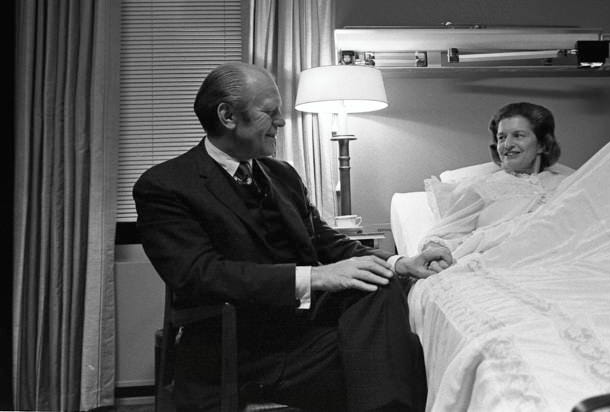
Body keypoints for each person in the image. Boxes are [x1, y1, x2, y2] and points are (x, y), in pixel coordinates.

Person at [133, 62, 453, 412]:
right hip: (241, 345)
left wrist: (399, 261)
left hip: (305, 330)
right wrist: (315, 277)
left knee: (381, 283)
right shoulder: (166, 185)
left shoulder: (281, 174)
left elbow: (324, 241)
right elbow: (200, 275)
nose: (281, 123)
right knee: (401, 353)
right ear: (227, 116)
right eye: (270, 113)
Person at [421, 102, 574, 265]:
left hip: (567, 261)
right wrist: (434, 256)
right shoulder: (482, 187)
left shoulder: (569, 183)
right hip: (501, 264)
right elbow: (444, 236)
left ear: (542, 145)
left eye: (518, 135)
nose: (507, 145)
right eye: (501, 137)